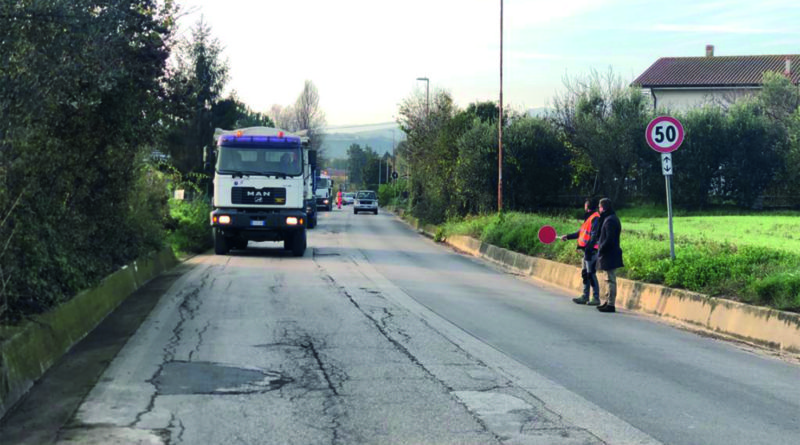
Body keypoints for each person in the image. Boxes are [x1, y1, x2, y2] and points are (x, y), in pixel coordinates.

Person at [561, 198, 601, 306]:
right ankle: (585, 296)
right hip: (587, 251)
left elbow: (594, 236)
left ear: (587, 206)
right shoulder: (589, 217)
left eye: (585, 204)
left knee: (591, 274)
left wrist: (589, 249)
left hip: (591, 251)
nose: (584, 206)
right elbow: (581, 232)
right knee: (585, 274)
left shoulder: (595, 218)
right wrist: (568, 236)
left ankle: (596, 298)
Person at [596, 198, 623, 313]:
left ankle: (611, 304)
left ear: (603, 207)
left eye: (599, 207)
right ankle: (607, 301)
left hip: (609, 254)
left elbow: (610, 239)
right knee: (607, 279)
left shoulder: (610, 220)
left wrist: (601, 248)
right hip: (609, 253)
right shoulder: (609, 218)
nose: (598, 209)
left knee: (610, 279)